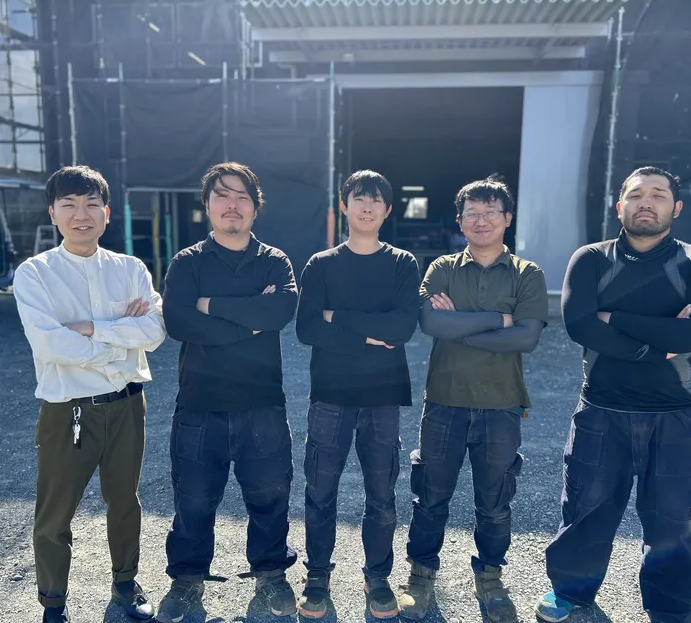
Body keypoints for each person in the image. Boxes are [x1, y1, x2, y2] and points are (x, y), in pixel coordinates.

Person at [535, 167, 691, 623]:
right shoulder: (591, 259)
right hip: (601, 409)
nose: (647, 202)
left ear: (676, 208)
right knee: (585, 511)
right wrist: (662, 342)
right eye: (637, 194)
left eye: (659, 195)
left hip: (674, 414)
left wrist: (615, 320)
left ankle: (671, 610)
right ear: (619, 206)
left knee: (676, 521)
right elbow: (580, 325)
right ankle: (570, 592)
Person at [13, 165, 166, 623]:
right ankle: (53, 604)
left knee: (125, 501)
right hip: (69, 411)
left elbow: (155, 331)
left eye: (91, 204)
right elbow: (50, 345)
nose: (81, 215)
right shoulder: (36, 274)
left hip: (127, 406)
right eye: (69, 205)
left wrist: (89, 328)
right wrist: (120, 340)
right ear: (52, 213)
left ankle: (126, 584)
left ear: (107, 213)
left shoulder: (130, 269)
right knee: (55, 512)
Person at [398, 178, 548, 623]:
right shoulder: (442, 268)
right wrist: (498, 319)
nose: (481, 221)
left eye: (490, 212)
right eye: (472, 214)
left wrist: (462, 326)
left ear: (507, 218)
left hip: (502, 405)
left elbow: (526, 338)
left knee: (495, 501)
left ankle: (490, 578)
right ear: (460, 221)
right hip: (444, 401)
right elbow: (431, 324)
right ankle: (421, 576)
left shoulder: (527, 273)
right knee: (430, 496)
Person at [155, 162, 299, 623]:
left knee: (270, 495)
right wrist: (248, 322)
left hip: (262, 403)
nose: (232, 205)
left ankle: (271, 575)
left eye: (242, 197)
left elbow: (279, 312)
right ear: (207, 205)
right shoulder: (188, 262)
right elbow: (179, 321)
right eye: (222, 195)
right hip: (200, 403)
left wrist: (211, 306)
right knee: (193, 499)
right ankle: (186, 581)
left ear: (256, 207)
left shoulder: (274, 260)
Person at [295, 170, 421, 619]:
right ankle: (317, 576)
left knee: (381, 494)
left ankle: (378, 576)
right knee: (320, 491)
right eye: (358, 198)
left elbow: (401, 328)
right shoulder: (321, 264)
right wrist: (369, 334)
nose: (367, 206)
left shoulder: (403, 263)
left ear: (388, 210)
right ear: (344, 206)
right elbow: (307, 328)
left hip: (383, 394)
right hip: (330, 393)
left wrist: (338, 317)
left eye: (376, 200)